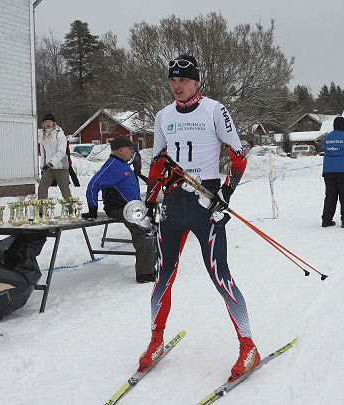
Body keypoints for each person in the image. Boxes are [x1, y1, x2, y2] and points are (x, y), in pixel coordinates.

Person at [138, 54, 260, 381]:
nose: (177, 85)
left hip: (205, 200)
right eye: (172, 80)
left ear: (196, 82)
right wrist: (150, 200)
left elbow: (238, 157)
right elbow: (158, 161)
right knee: (163, 275)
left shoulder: (215, 109)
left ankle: (248, 345)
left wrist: (225, 196)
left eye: (184, 80)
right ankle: (155, 340)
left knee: (220, 274)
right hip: (172, 202)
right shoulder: (163, 116)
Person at [81, 136, 156, 283]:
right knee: (143, 232)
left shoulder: (123, 164)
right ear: (120, 150)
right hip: (119, 208)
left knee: (151, 229)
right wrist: (92, 208)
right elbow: (93, 185)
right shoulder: (112, 165)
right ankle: (145, 274)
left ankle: (151, 269)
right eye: (130, 149)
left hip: (131, 207)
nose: (132, 152)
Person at [37, 114, 72, 201]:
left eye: (49, 122)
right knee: (42, 188)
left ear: (53, 123)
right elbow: (43, 153)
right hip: (48, 168)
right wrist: (42, 167)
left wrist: (51, 163)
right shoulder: (42, 135)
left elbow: (61, 152)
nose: (47, 124)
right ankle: (42, 211)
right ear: (43, 124)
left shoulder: (59, 134)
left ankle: (72, 210)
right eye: (45, 122)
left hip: (61, 167)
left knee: (65, 190)